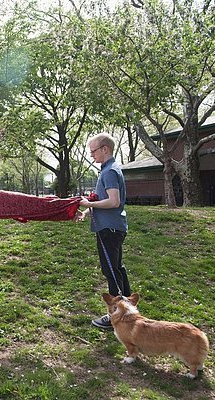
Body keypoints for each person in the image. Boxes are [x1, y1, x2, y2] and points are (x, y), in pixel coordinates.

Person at [74, 133, 131, 330]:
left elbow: (113, 201)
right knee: (117, 269)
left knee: (111, 271)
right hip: (112, 228)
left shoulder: (109, 171)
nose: (92, 155)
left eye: (93, 151)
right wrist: (87, 212)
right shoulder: (110, 169)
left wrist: (88, 202)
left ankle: (117, 314)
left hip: (109, 230)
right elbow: (106, 201)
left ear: (105, 149)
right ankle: (128, 310)